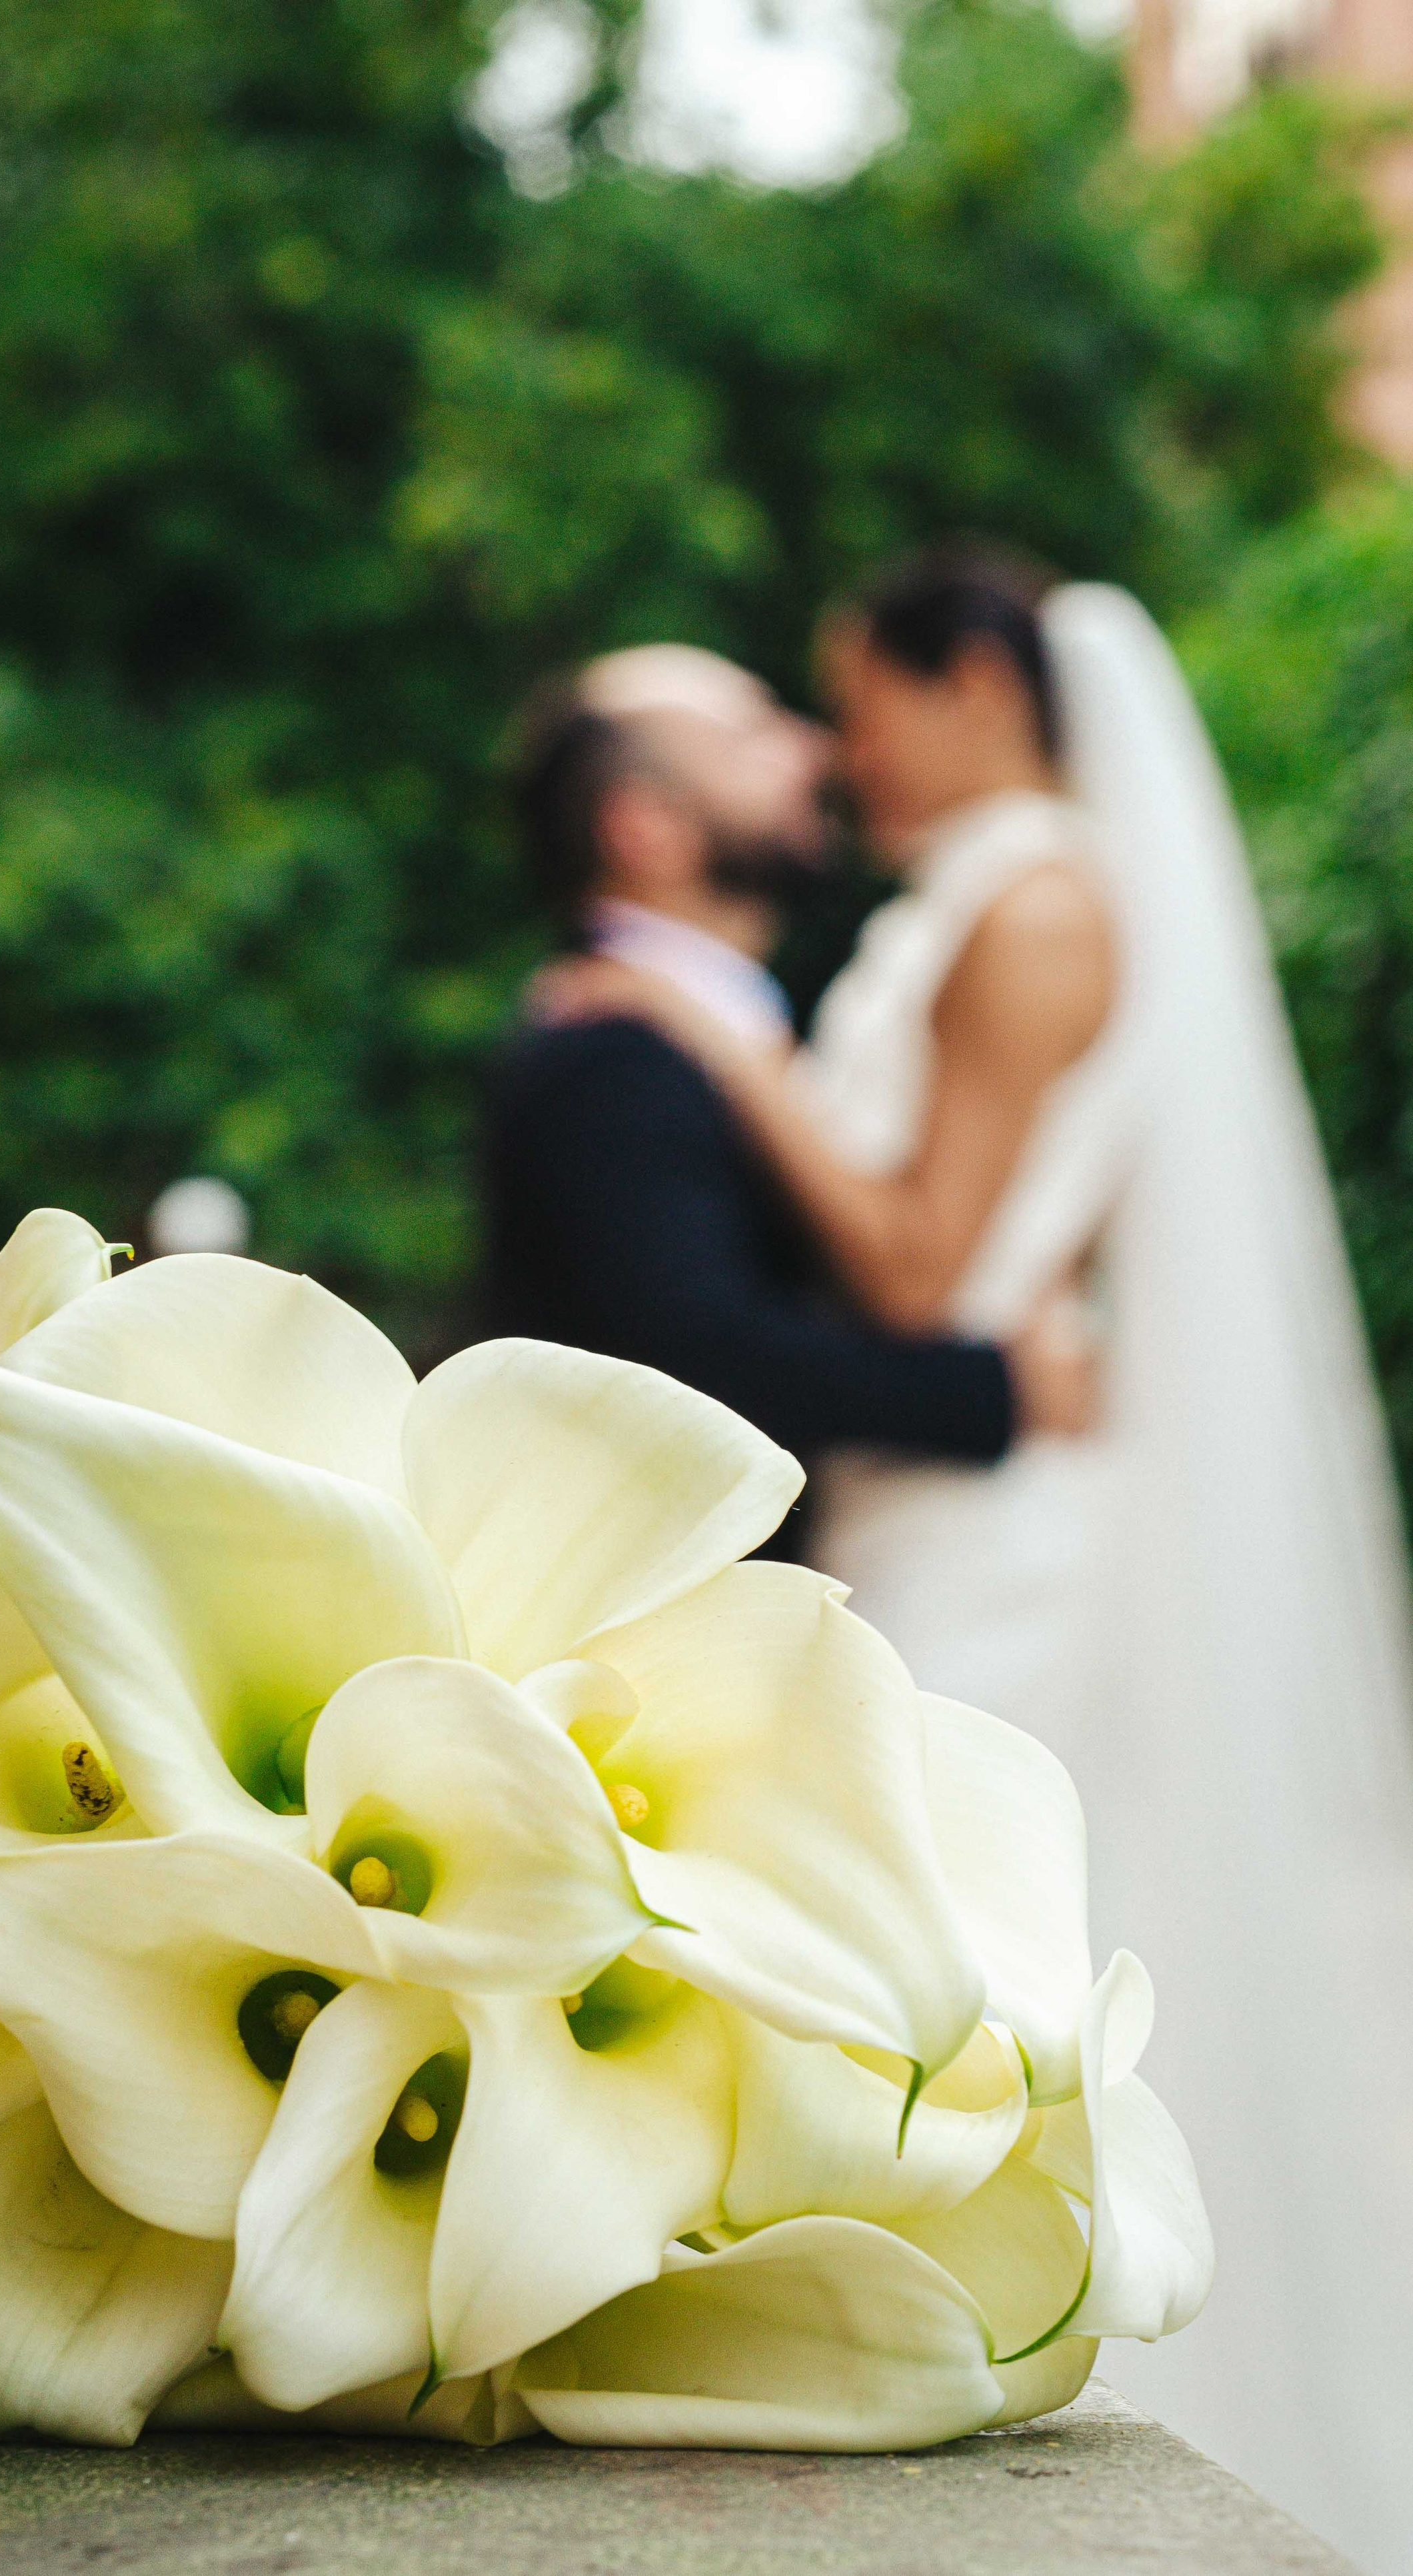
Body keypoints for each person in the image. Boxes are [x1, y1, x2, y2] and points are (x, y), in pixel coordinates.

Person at [537, 558, 1413, 2576]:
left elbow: (925, 1262)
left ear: (971, 690)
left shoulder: (1034, 912)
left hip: (1000, 1527)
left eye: (862, 700)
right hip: (922, 1485)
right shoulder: (964, 902)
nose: (843, 751)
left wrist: (712, 1045)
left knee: (955, 1947)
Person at [483, 642, 1096, 1533]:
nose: (813, 748)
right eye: (751, 738)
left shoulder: (715, 1027)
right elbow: (705, 1357)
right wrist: (995, 1389)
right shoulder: (607, 1055)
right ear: (648, 828)